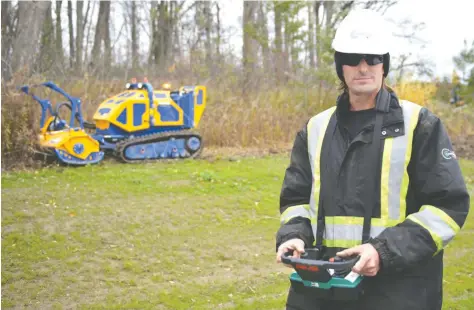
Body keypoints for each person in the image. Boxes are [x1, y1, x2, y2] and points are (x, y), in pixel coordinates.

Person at [275, 9, 470, 310]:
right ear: (341, 66)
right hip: (323, 284)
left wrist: (383, 251)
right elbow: (296, 197)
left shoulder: (420, 124)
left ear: (384, 64)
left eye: (372, 58)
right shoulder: (315, 128)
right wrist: (294, 235)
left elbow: (447, 206)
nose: (363, 67)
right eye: (353, 58)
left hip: (397, 287)